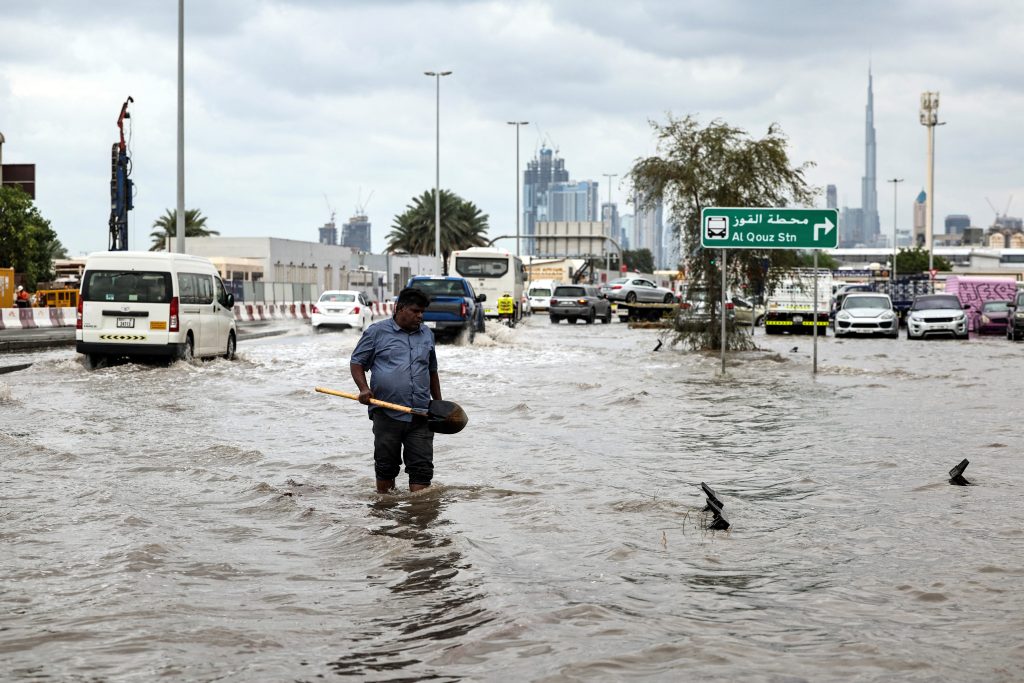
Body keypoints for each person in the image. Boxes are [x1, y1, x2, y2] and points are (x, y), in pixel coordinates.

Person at [350, 287, 441, 494]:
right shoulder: (376, 332)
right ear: (399, 308)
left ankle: (418, 519)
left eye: (422, 312)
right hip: (387, 414)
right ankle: (386, 518)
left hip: (421, 415)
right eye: (416, 311)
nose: (420, 316)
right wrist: (364, 389)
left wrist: (438, 404)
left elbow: (432, 371)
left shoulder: (427, 334)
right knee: (386, 468)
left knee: (422, 471)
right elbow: (357, 363)